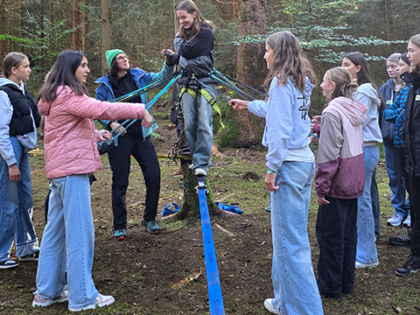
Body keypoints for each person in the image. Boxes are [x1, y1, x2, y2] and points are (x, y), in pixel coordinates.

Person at [33, 49, 152, 311]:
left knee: (55, 233)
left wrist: (94, 135)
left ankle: (47, 291)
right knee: (80, 235)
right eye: (83, 66)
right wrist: (139, 109)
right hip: (72, 172)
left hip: (60, 172)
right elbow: (102, 108)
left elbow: (66, 129)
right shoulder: (68, 94)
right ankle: (83, 296)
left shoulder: (55, 95)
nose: (88, 70)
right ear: (70, 68)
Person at [229, 31, 323, 315]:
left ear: (279, 53)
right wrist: (248, 105)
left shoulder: (281, 84)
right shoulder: (299, 80)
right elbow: (280, 112)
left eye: (268, 50)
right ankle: (285, 301)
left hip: (289, 167)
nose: (264, 55)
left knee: (290, 244)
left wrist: (271, 168)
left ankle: (306, 310)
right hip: (303, 163)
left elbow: (281, 131)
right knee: (287, 239)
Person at [95, 49, 174, 239]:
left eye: (126, 56)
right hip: (120, 138)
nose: (125, 59)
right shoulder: (104, 87)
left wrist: (169, 63)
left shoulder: (138, 76)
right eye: (121, 57)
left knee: (154, 175)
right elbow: (98, 110)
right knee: (121, 180)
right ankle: (119, 225)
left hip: (142, 135)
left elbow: (162, 79)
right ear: (112, 62)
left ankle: (150, 219)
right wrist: (111, 123)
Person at [315, 67, 367, 298]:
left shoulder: (333, 111)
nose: (320, 86)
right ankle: (346, 283)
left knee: (330, 237)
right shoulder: (352, 108)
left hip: (336, 185)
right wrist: (319, 126)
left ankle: (330, 287)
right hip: (353, 181)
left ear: (333, 86)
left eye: (324, 81)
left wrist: (321, 187)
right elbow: (344, 139)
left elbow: (329, 155)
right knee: (347, 236)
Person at [0, 52, 41, 269]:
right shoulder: (4, 93)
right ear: (13, 70)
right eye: (25, 66)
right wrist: (10, 162)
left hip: (22, 147)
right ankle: (1, 253)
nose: (29, 69)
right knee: (9, 200)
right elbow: (1, 130)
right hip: (11, 147)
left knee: (25, 197)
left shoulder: (21, 90)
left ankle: (26, 246)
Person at [341, 52, 382, 268]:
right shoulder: (357, 91)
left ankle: (367, 255)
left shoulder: (364, 90)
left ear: (358, 68)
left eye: (347, 64)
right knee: (369, 193)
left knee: (361, 199)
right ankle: (372, 236)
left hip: (364, 149)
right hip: (365, 149)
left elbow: (357, 120)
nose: (343, 67)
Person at [172, 0, 218, 177]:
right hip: (186, 84)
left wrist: (183, 57)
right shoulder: (181, 35)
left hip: (206, 82)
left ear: (194, 14)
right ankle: (196, 159)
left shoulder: (206, 32)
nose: (182, 21)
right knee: (190, 123)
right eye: (179, 19)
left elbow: (197, 59)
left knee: (204, 123)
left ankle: (203, 162)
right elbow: (187, 55)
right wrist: (180, 57)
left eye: (184, 17)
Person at [384, 53, 414, 247]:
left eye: (397, 65)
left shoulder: (411, 88)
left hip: (411, 145)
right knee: (395, 178)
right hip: (391, 141)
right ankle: (399, 211)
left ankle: (412, 214)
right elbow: (387, 113)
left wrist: (404, 113)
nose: (392, 69)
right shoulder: (386, 89)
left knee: (411, 179)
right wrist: (403, 112)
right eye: (389, 66)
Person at [396, 34, 420, 275]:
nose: (407, 55)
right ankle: (416, 255)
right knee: (416, 206)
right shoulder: (413, 84)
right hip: (413, 159)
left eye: (411, 50)